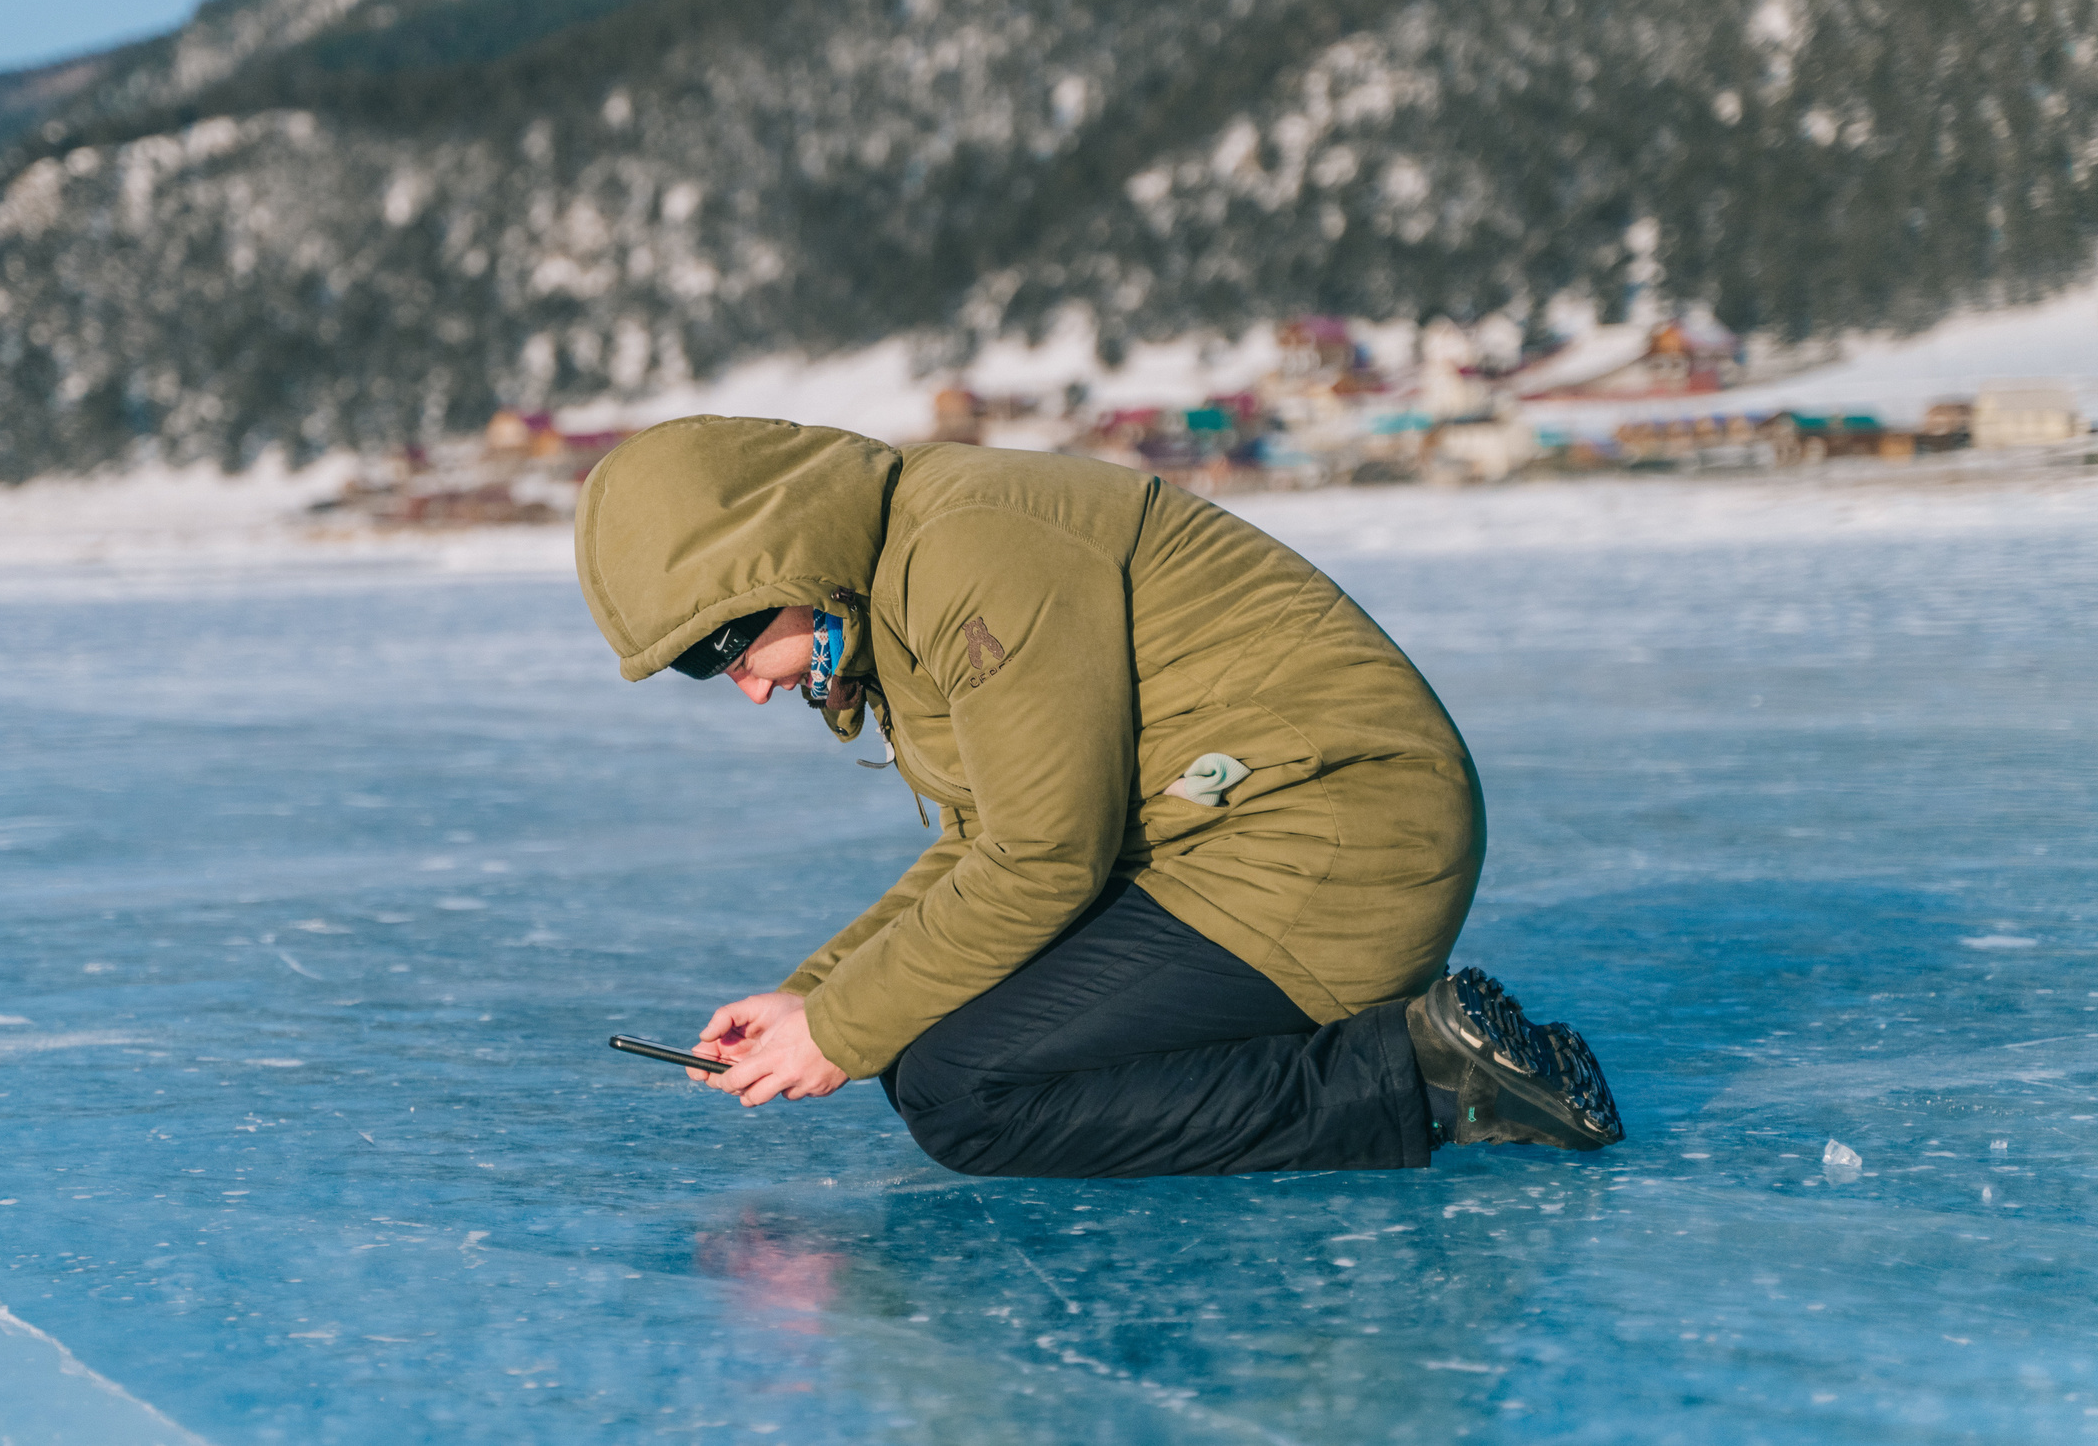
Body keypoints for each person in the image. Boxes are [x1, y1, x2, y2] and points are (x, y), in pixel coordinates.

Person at [574, 414, 1621, 1177]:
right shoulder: (898, 572)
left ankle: (1424, 1074)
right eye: (701, 671)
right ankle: (1390, 1050)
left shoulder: (966, 549)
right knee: (923, 1052)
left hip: (1333, 836)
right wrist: (821, 994)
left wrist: (842, 1026)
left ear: (777, 551)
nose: (746, 686)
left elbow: (1044, 857)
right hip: (1227, 837)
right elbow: (991, 836)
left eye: (724, 646)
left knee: (964, 1093)